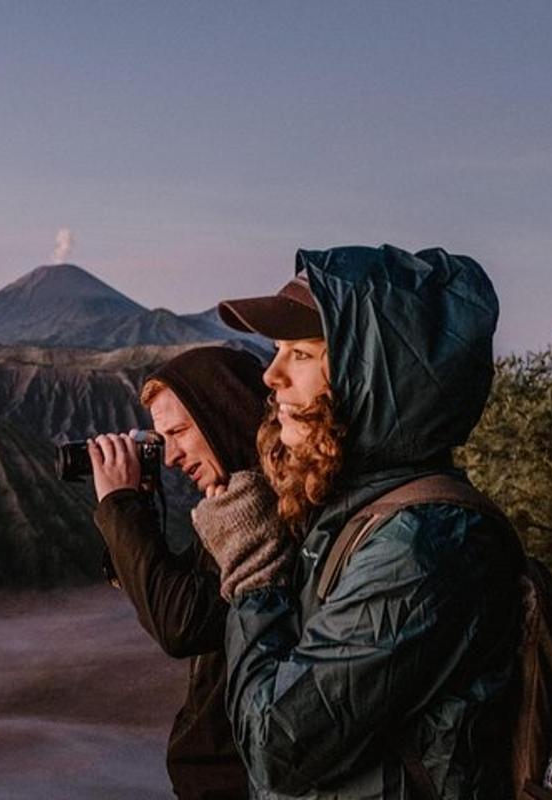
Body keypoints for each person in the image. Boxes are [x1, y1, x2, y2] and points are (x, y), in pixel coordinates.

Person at [193, 246, 524, 799]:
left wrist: (254, 576)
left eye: (300, 354)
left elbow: (280, 748)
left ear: (375, 374)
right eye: (275, 351)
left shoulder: (419, 546)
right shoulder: (354, 511)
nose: (271, 376)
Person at [89, 345, 285, 800]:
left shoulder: (268, 517)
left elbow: (180, 622)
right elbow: (183, 586)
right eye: (164, 439)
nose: (172, 456)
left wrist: (120, 506)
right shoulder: (232, 506)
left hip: (238, 783)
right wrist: (134, 507)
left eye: (179, 431)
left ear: (224, 415)